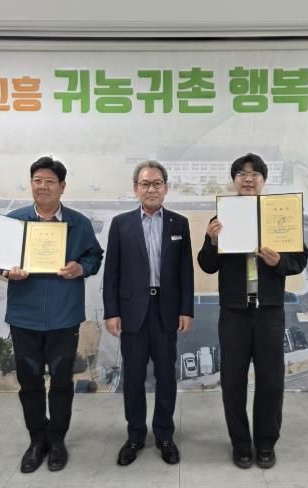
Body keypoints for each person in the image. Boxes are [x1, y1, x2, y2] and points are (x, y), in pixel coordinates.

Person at [197, 153, 308, 469]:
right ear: (234, 180)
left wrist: (279, 262)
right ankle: (241, 444)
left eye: (255, 174)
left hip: (269, 311)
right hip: (234, 312)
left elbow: (299, 260)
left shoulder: (280, 214)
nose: (248, 178)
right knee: (233, 382)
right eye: (242, 174)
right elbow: (206, 264)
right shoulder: (221, 217)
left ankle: (266, 444)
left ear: (263, 180)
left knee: (271, 381)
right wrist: (212, 241)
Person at [0, 156, 103, 473]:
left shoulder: (78, 223)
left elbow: (94, 256)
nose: (42, 186)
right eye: (37, 180)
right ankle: (37, 441)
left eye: (49, 181)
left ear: (62, 187)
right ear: (31, 184)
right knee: (29, 382)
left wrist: (80, 268)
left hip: (64, 317)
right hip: (24, 317)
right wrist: (7, 271)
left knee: (61, 382)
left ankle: (57, 440)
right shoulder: (14, 221)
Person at [103, 160, 194, 466]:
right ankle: (135, 435)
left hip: (166, 310)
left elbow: (185, 271)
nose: (151, 189)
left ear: (166, 188)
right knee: (133, 377)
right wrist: (111, 312)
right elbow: (111, 272)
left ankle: (165, 435)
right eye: (145, 184)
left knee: (166, 376)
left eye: (157, 184)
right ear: (136, 189)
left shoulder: (179, 224)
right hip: (133, 312)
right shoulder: (121, 224)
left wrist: (186, 309)